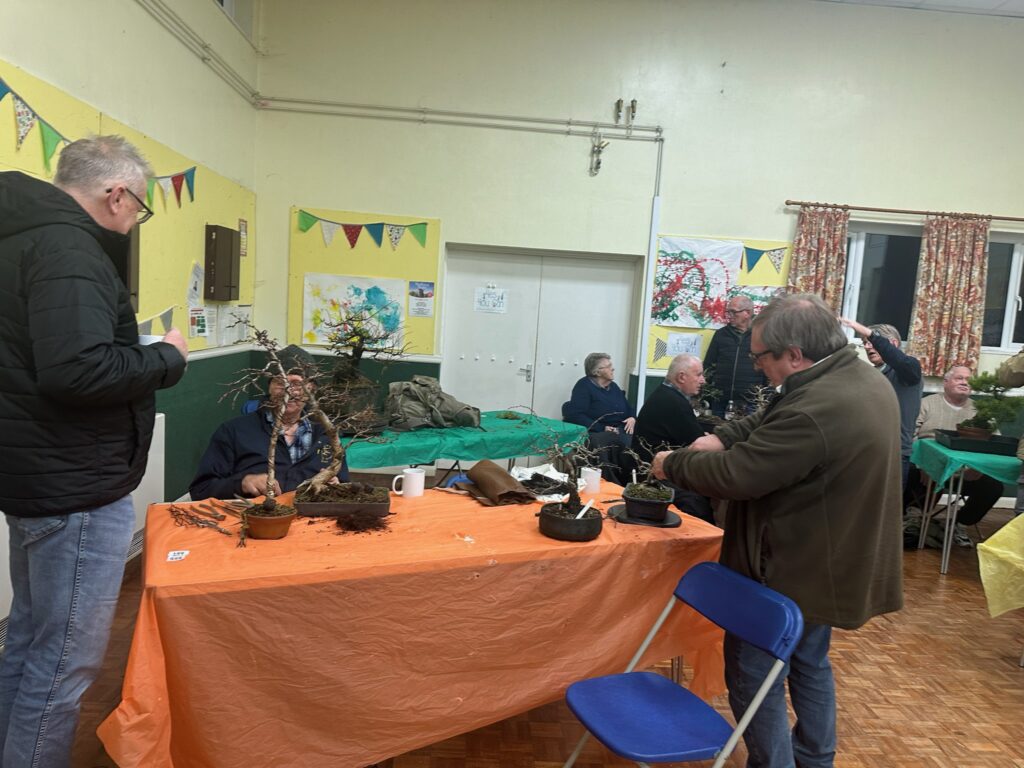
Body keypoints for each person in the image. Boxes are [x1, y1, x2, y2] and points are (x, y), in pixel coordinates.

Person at [0, 136, 189, 767]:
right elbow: (76, 371)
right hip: (75, 486)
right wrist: (167, 359)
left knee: (28, 644)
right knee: (62, 666)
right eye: (140, 207)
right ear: (116, 194)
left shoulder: (21, 236)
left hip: (36, 476)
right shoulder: (70, 249)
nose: (134, 221)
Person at [653, 294, 903, 768]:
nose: (757, 367)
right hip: (826, 563)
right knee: (809, 662)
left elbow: (739, 475)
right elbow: (775, 416)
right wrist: (722, 435)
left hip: (791, 566)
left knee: (752, 674)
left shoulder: (821, 405)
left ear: (794, 354)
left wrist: (673, 464)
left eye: (760, 357)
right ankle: (814, 759)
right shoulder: (852, 376)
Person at [190, 345, 350, 499]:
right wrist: (241, 483)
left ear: (311, 388)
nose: (288, 391)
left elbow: (346, 488)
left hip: (312, 516)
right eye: (280, 382)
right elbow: (200, 490)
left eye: (297, 384)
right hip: (253, 514)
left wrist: (336, 488)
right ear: (269, 387)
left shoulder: (327, 435)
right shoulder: (233, 432)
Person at [906, 365, 1003, 548]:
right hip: (928, 468)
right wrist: (924, 463)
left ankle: (958, 523)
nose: (964, 382)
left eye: (968, 380)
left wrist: (979, 467)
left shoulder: (981, 411)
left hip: (967, 472)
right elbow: (910, 436)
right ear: (946, 382)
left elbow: (994, 443)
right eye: (959, 378)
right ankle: (914, 519)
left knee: (993, 486)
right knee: (909, 471)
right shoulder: (926, 404)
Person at [841, 318, 922, 490]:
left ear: (893, 344)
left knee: (887, 506)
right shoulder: (868, 374)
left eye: (871, 342)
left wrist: (869, 334)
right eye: (865, 343)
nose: (867, 346)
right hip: (864, 452)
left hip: (893, 454)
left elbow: (901, 362)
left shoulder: (909, 371)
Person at [632, 354, 712, 522]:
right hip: (656, 476)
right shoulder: (674, 403)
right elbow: (700, 444)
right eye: (698, 374)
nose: (703, 380)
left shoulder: (664, 394)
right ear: (681, 377)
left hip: (654, 468)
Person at [703, 295, 767, 417]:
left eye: (733, 312)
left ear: (747, 313)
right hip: (720, 400)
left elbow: (767, 368)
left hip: (750, 402)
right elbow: (708, 366)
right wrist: (706, 395)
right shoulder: (720, 335)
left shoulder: (761, 336)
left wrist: (764, 397)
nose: (729, 315)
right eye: (728, 312)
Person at [563, 352, 636, 443]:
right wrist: (602, 428)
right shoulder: (584, 386)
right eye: (608, 366)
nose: (612, 368)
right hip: (599, 432)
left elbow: (628, 407)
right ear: (597, 372)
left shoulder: (613, 386)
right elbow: (576, 415)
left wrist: (632, 418)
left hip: (621, 429)